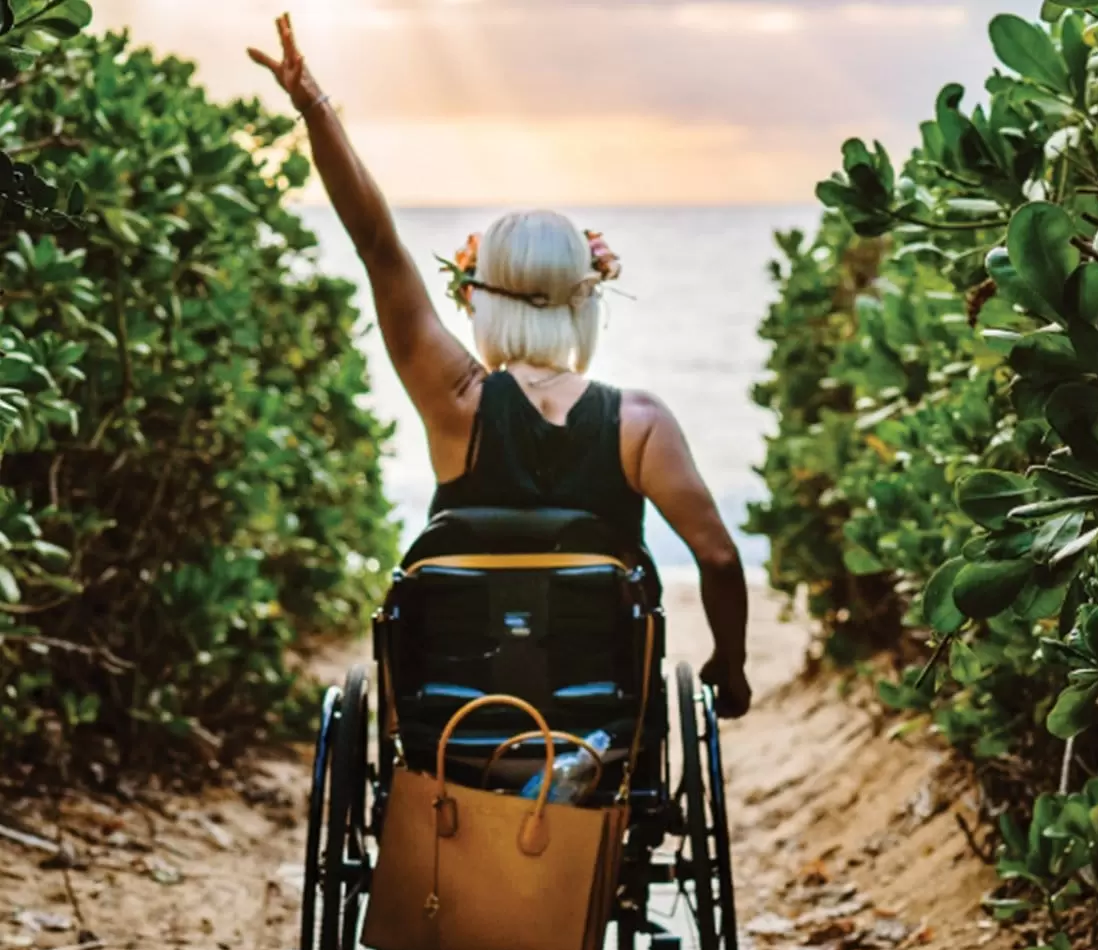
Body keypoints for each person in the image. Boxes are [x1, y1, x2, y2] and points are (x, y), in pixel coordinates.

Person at [249, 14, 752, 718]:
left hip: (453, 709)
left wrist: (315, 108)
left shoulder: (455, 400)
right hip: (597, 708)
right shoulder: (638, 425)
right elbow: (722, 562)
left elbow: (375, 243)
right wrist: (731, 670)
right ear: (587, 299)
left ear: (475, 298)